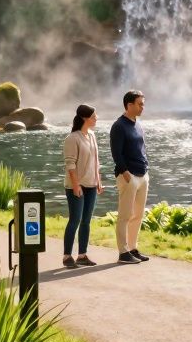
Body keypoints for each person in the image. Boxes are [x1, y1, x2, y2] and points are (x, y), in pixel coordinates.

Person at [109, 90, 150, 264]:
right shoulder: (119, 126)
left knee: (138, 214)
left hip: (142, 175)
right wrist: (126, 173)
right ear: (129, 105)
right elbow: (116, 153)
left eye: (143, 103)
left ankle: (132, 248)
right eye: (140, 103)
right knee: (125, 215)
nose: (143, 107)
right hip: (129, 176)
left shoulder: (138, 124)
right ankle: (123, 252)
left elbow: (141, 148)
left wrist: (146, 170)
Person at [62, 104, 103, 268]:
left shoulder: (92, 135)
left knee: (86, 221)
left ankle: (82, 255)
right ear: (85, 118)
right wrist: (76, 185)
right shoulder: (72, 138)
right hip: (76, 186)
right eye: (94, 116)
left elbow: (96, 160)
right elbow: (70, 165)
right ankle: (66, 256)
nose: (96, 118)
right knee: (75, 220)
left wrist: (98, 180)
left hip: (91, 185)